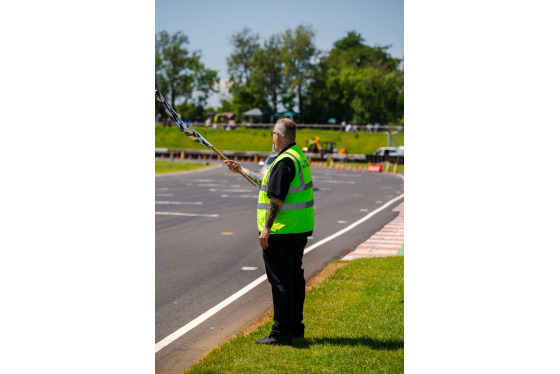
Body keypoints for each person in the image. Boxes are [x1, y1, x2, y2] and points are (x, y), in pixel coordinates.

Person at [224, 118, 314, 346]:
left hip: (281, 233)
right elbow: (266, 181)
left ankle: (280, 333)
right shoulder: (297, 156)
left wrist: (266, 230)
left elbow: (276, 198)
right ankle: (295, 327)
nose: (272, 138)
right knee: (294, 279)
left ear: (277, 136)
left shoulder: (283, 161)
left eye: (273, 133)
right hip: (298, 230)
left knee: (281, 282)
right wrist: (241, 169)